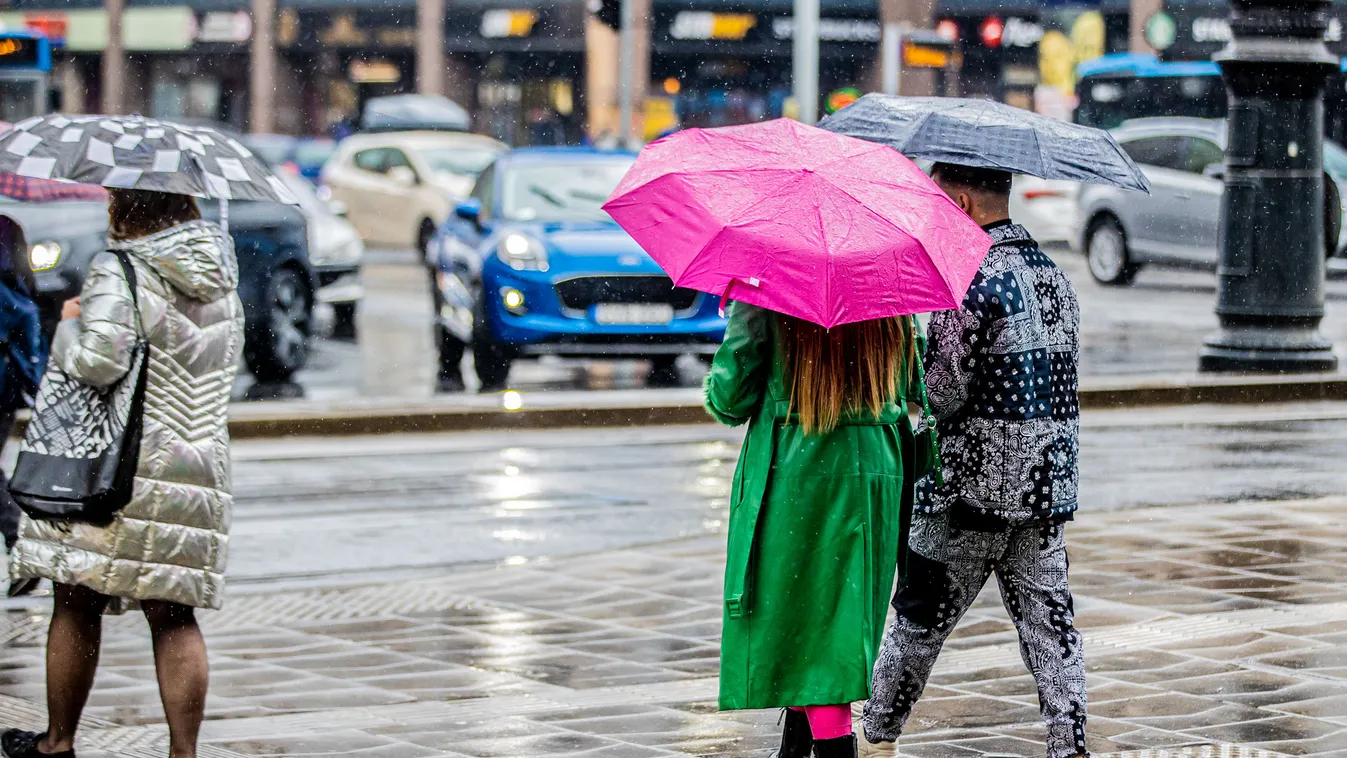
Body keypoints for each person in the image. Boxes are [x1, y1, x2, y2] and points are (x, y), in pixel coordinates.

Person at [3, 190, 244, 758]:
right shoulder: (220, 277)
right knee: (173, 612)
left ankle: (57, 742)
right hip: (196, 464)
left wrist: (69, 325)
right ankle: (183, 753)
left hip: (120, 464)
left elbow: (99, 360)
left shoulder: (121, 267)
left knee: (76, 597)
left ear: (127, 208)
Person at [863, 163, 1087, 758]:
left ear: (961, 202)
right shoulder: (1054, 276)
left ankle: (877, 732)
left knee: (917, 622)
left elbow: (940, 392)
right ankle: (1071, 744)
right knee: (1052, 630)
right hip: (1043, 492)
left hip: (967, 496)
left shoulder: (967, 277)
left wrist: (907, 370)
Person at [705, 301, 927, 758]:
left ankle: (833, 747)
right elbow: (916, 380)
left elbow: (730, 400)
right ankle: (795, 746)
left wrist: (742, 322)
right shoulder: (883, 283)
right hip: (876, 463)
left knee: (801, 619)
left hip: (800, 465)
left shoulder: (769, 290)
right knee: (836, 618)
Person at [0, 216, 44, 596]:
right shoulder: (8, 228)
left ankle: (21, 544)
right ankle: (22, 545)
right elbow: (28, 296)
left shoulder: (5, 229)